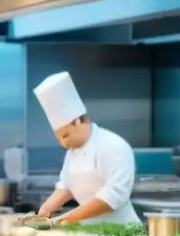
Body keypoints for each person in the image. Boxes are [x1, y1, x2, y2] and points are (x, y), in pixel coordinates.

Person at [33, 72, 140, 225]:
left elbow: (113, 196)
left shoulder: (113, 146)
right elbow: (66, 186)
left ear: (77, 121)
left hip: (122, 233)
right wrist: (45, 210)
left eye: (65, 136)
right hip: (89, 233)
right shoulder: (72, 153)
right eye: (59, 139)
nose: (63, 144)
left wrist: (65, 219)